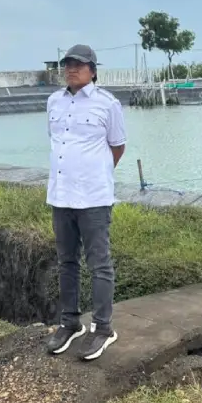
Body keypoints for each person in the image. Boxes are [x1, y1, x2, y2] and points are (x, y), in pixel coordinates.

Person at [44, 44, 127, 361]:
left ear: (93, 70)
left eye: (79, 64)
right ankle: (70, 323)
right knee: (67, 262)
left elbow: (116, 147)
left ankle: (103, 328)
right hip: (60, 196)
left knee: (99, 264)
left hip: (93, 198)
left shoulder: (108, 104)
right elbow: (56, 144)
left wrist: (95, 175)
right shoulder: (53, 101)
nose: (72, 69)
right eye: (67, 64)